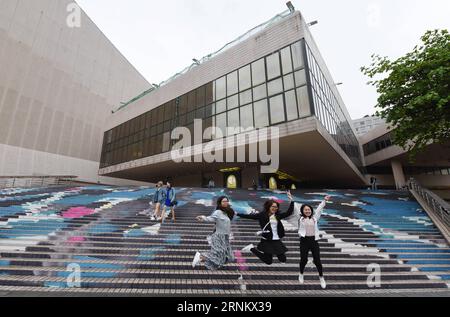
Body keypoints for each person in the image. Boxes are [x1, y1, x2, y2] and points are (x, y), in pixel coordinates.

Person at [285, 195, 331, 289]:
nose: (307, 211)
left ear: (311, 211)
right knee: (304, 259)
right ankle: (301, 273)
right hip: (304, 241)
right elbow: (295, 208)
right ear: (303, 211)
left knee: (318, 261)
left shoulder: (315, 218)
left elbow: (319, 209)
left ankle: (321, 277)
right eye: (305, 210)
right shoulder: (300, 219)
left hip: (314, 241)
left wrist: (324, 200)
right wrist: (290, 198)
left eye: (309, 209)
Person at [238, 191, 295, 265]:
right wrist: (237, 214)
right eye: (273, 206)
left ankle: (251, 248)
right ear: (268, 207)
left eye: (276, 207)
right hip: (267, 240)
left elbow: (289, 213)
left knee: (283, 259)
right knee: (268, 261)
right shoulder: (262, 215)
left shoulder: (277, 216)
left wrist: (292, 200)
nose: (275, 208)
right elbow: (250, 216)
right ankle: (251, 248)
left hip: (276, 239)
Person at [192, 196, 235, 270]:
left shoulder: (227, 213)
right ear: (220, 203)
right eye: (223, 201)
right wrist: (202, 217)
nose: (225, 203)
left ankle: (202, 258)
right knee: (219, 254)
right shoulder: (218, 212)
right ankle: (200, 256)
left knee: (230, 257)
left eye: (226, 201)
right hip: (218, 236)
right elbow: (211, 218)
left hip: (225, 237)